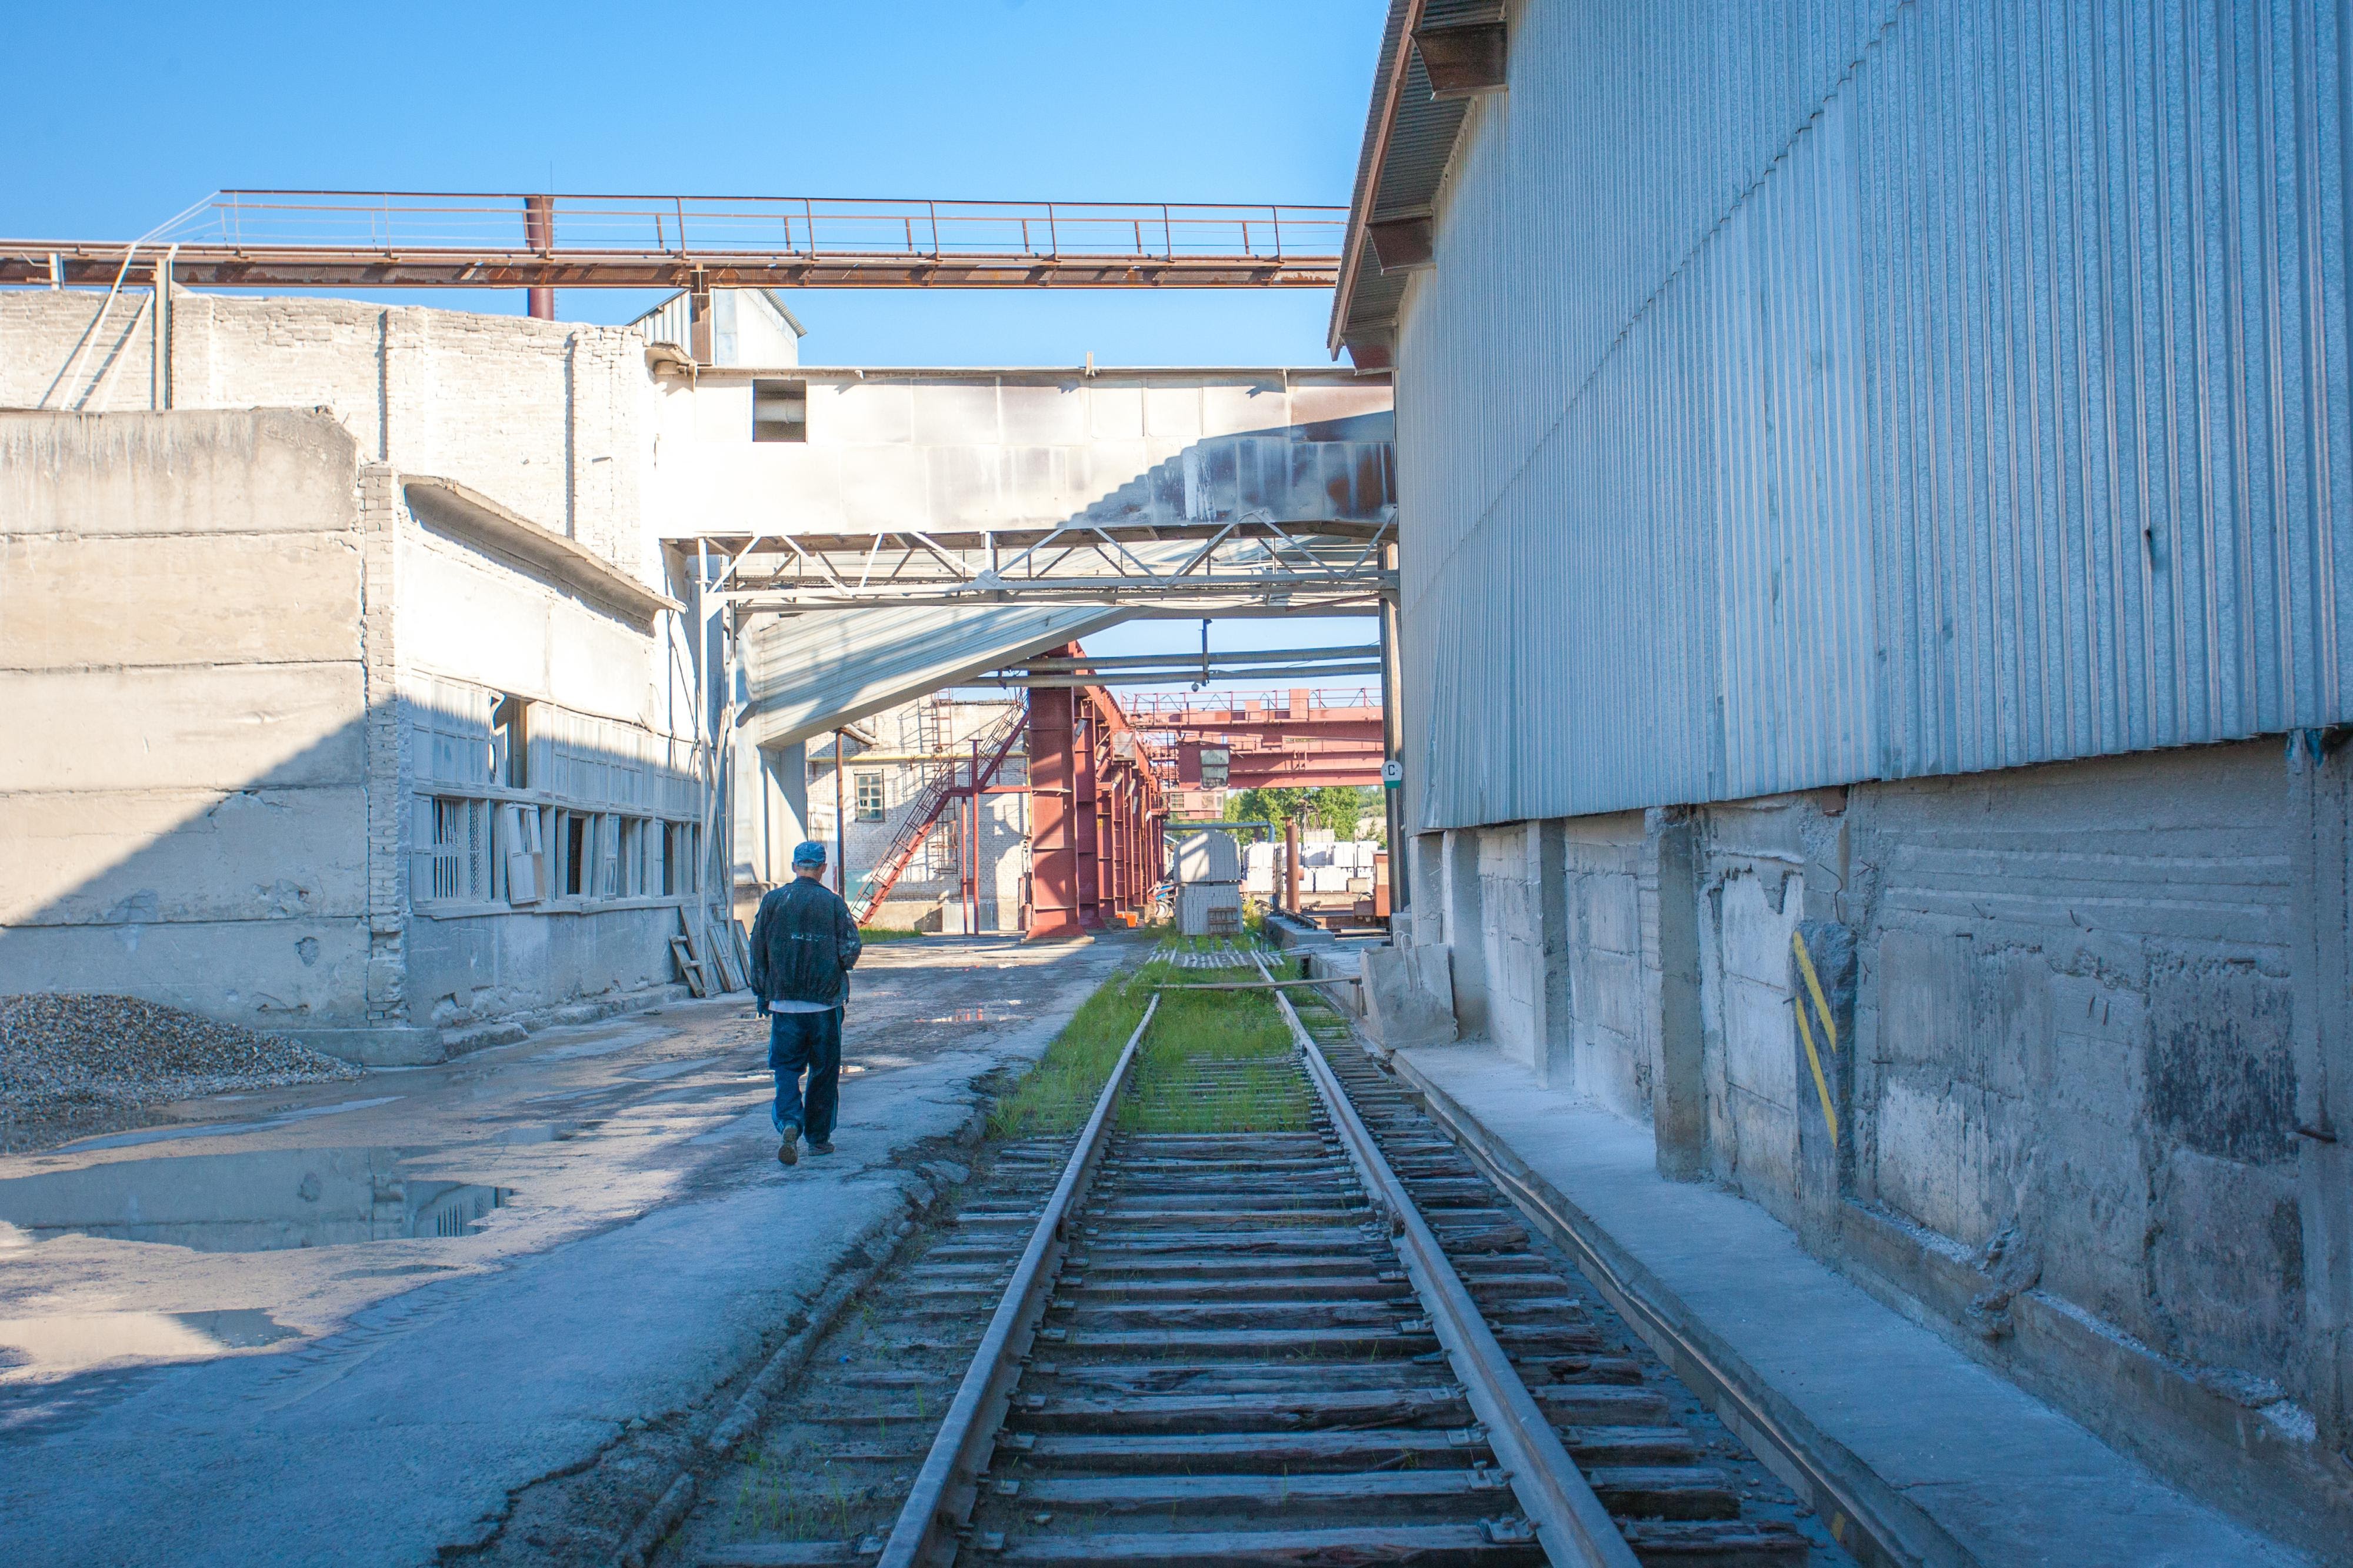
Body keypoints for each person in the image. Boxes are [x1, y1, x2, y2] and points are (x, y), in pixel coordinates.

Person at [746, 840, 862, 1165]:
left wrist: (762, 992)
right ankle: (818, 1139)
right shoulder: (833, 903)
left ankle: (790, 1123)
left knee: (785, 1068)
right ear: (823, 868)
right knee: (823, 1072)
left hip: (784, 1005)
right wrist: (834, 966)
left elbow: (757, 949)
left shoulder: (773, 901)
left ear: (795, 867)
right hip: (825, 1006)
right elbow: (851, 950)